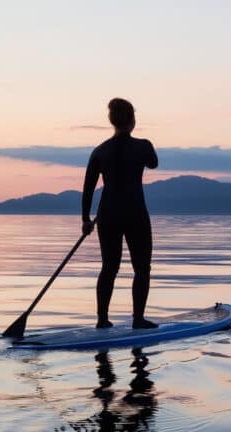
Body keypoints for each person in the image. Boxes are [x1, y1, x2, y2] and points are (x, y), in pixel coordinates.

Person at [82, 98, 159, 329]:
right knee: (142, 268)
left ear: (112, 122)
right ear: (132, 121)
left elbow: (87, 189)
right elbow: (154, 163)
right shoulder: (143, 146)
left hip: (107, 215)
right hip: (135, 213)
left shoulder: (99, 151)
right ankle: (138, 319)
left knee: (109, 267)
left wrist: (85, 219)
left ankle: (102, 319)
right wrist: (146, 146)